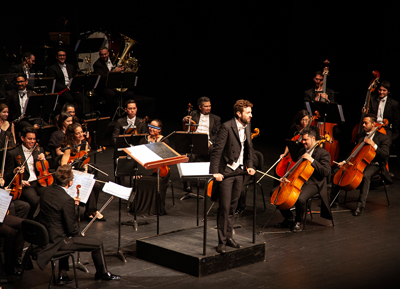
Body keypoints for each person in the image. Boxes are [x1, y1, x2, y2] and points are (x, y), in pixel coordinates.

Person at [36, 165, 120, 283]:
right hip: (58, 241)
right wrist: (79, 232)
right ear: (70, 183)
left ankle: (62, 273)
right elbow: (72, 230)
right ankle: (102, 273)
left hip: (46, 235)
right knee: (98, 244)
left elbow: (56, 212)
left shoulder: (45, 192)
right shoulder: (67, 200)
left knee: (66, 234)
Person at [210, 99, 256, 254]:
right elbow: (217, 151)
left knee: (232, 207)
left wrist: (250, 165)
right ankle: (221, 241)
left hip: (240, 172)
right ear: (238, 113)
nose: (251, 115)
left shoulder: (248, 126)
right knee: (224, 207)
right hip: (227, 173)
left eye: (251, 112)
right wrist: (215, 172)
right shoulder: (227, 127)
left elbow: (249, 148)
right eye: (248, 112)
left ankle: (229, 237)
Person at [332, 114, 391, 216]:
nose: (363, 125)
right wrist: (345, 161)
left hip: (375, 164)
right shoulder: (360, 136)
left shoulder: (383, 137)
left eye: (365, 123)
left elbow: (385, 155)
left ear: (373, 124)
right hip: (359, 162)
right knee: (337, 171)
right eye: (363, 122)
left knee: (366, 175)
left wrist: (374, 145)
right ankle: (333, 201)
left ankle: (360, 205)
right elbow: (354, 152)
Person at [275, 127, 332, 232]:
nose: (303, 142)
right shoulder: (302, 150)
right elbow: (296, 167)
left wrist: (312, 160)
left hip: (314, 182)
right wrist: (287, 176)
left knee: (300, 198)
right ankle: (289, 218)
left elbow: (326, 172)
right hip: (299, 179)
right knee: (275, 193)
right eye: (303, 139)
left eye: (305, 140)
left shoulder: (323, 153)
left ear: (313, 138)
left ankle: (298, 221)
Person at [60, 122, 104, 221]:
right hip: (71, 174)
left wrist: (85, 174)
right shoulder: (69, 146)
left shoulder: (85, 144)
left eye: (81, 132)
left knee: (95, 185)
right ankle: (92, 211)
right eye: (77, 133)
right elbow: (63, 163)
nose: (81, 135)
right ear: (72, 135)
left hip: (82, 172)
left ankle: (90, 210)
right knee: (92, 185)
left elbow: (86, 163)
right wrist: (71, 174)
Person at [4, 126, 47, 219]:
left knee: (49, 196)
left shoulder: (38, 150)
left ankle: (42, 220)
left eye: (34, 139)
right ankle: (30, 220)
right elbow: (7, 176)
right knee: (35, 200)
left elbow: (44, 169)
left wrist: (43, 160)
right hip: (25, 184)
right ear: (23, 138)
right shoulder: (13, 153)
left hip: (38, 181)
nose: (32, 141)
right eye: (29, 139)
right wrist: (18, 179)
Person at [46, 48, 90, 116]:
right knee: (70, 99)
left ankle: (86, 119)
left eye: (64, 55)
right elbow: (55, 84)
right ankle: (73, 119)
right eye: (60, 55)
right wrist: (67, 88)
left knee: (84, 99)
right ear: (56, 57)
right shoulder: (52, 68)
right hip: (62, 90)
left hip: (72, 90)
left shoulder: (70, 66)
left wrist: (75, 87)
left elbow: (74, 79)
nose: (62, 57)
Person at [93, 46, 134, 117]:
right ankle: (109, 115)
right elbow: (102, 77)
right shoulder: (97, 64)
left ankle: (126, 114)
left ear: (108, 53)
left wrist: (124, 69)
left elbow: (123, 67)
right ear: (99, 55)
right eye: (102, 54)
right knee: (111, 94)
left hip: (117, 84)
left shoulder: (114, 59)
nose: (104, 56)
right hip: (105, 86)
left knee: (129, 93)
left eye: (105, 54)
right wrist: (113, 71)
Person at [368, 81, 400, 145]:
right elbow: (368, 114)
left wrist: (391, 130)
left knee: (386, 143)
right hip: (373, 126)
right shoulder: (371, 99)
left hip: (386, 128)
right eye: (380, 90)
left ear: (388, 91)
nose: (381, 92)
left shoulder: (394, 103)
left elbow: (396, 120)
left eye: (384, 90)